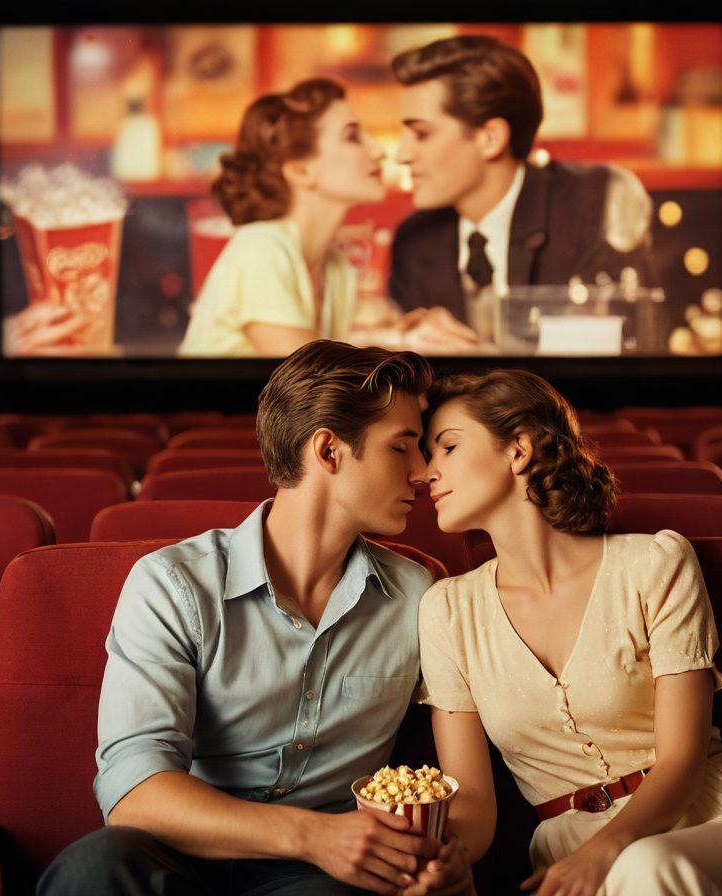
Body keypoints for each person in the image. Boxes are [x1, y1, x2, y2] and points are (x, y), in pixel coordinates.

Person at [404, 370, 722, 896]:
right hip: (573, 857)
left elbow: (682, 758)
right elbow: (472, 805)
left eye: (446, 446)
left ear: (518, 450)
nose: (425, 473)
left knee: (646, 867)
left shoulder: (655, 562)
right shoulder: (445, 610)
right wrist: (447, 861)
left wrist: (608, 849)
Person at [40, 341, 454, 895]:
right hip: (185, 850)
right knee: (95, 866)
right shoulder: (173, 584)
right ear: (329, 451)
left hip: (322, 879)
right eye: (402, 448)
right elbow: (135, 792)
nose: (423, 472)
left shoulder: (416, 594)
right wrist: (314, 835)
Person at [388, 37, 660, 348]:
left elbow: (618, 356)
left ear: (490, 138)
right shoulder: (415, 239)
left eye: (421, 134)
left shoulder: (595, 202)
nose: (402, 154)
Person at [180, 79, 477, 357]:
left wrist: (412, 329)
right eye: (352, 137)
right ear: (300, 171)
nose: (378, 151)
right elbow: (310, 381)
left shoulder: (336, 268)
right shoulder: (262, 249)